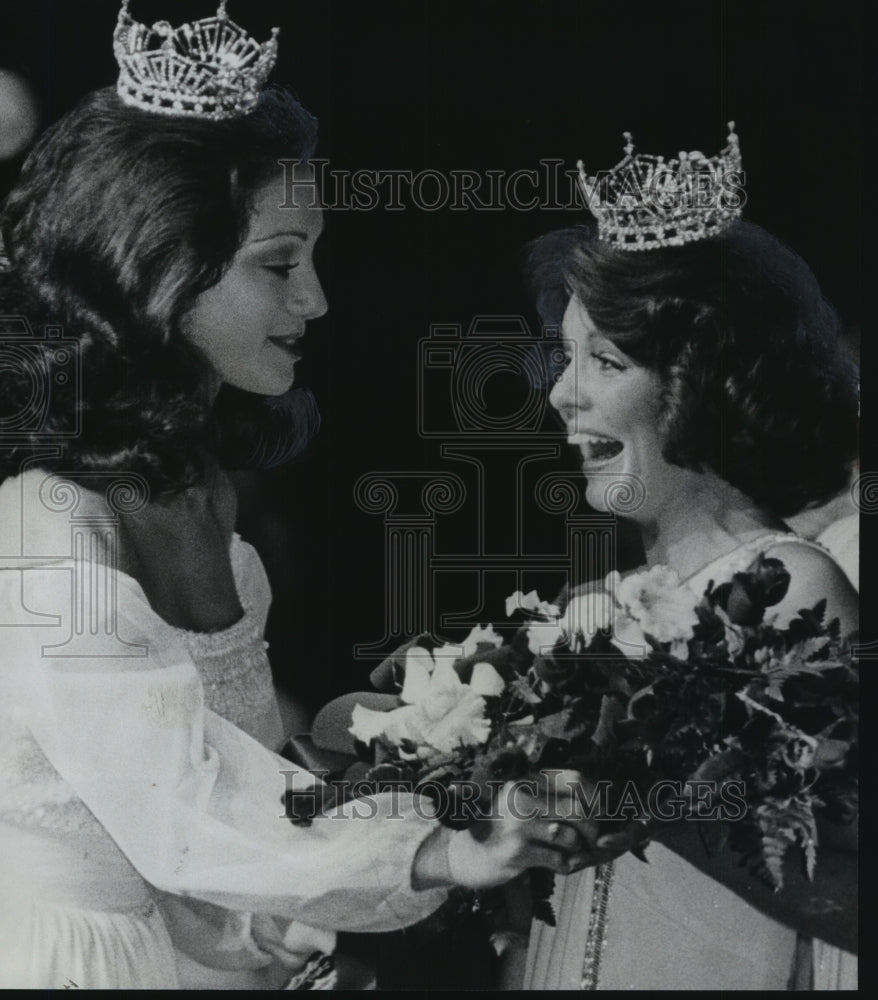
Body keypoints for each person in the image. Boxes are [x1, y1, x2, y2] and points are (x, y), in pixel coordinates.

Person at [0, 4, 613, 989]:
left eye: (312, 258)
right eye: (278, 263)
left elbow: (214, 832)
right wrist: (442, 849)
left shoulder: (210, 517)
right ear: (157, 267)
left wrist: (273, 924)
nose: (316, 299)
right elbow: (179, 812)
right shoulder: (45, 520)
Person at [504, 145, 859, 990]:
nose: (562, 394)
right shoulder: (586, 612)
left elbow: (832, 886)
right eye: (567, 355)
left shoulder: (791, 590)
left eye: (607, 362)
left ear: (704, 386)